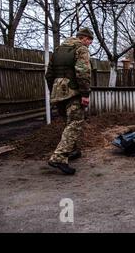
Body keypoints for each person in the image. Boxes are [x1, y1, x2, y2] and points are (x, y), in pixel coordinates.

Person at [45, 27, 93, 174]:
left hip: (57, 92)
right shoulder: (81, 49)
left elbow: (49, 74)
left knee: (68, 123)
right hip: (73, 92)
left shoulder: (58, 50)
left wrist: (54, 90)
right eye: (89, 41)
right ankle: (59, 157)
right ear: (83, 38)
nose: (89, 44)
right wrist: (85, 93)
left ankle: (71, 151)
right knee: (75, 123)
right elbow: (83, 72)